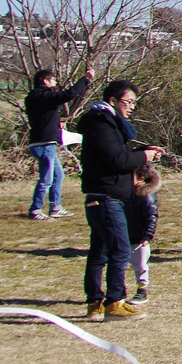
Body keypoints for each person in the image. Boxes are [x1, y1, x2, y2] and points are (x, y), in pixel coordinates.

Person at [73, 79, 162, 321]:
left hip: (105, 197)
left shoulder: (107, 124)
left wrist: (142, 151)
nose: (132, 107)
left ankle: (95, 304)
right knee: (120, 250)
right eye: (128, 102)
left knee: (99, 252)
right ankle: (114, 302)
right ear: (112, 101)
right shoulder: (101, 125)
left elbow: (118, 156)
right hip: (106, 198)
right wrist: (143, 156)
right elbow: (117, 162)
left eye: (134, 102)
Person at [24, 64, 92, 220]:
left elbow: (43, 118)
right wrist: (85, 79)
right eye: (52, 79)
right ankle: (35, 210)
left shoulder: (34, 98)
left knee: (58, 176)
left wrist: (56, 123)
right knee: (46, 179)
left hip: (42, 142)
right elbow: (69, 94)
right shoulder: (43, 96)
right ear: (45, 81)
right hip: (44, 143)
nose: (54, 81)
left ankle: (55, 207)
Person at [125, 164, 159, 303]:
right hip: (125, 235)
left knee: (140, 266)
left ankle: (142, 290)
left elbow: (152, 217)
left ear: (141, 178)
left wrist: (147, 236)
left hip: (140, 238)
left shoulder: (146, 196)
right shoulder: (125, 193)